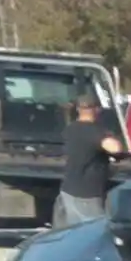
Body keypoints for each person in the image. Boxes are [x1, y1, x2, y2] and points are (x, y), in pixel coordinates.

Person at [54, 94, 125, 227]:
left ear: (78, 110)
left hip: (68, 189)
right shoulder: (94, 131)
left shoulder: (71, 129)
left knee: (71, 234)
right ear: (96, 110)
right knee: (95, 234)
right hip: (86, 195)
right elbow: (115, 148)